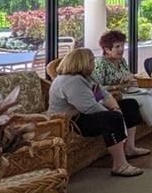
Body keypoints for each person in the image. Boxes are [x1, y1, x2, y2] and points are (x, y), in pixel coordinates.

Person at [48, 48, 146, 176]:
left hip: (84, 114)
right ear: (81, 62)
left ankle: (130, 148)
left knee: (130, 105)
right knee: (112, 119)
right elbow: (89, 108)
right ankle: (119, 165)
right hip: (71, 122)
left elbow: (104, 95)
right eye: (91, 61)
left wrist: (116, 108)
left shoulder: (87, 77)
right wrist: (115, 114)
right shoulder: (70, 81)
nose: (94, 63)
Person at [92, 30, 152, 139]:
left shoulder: (121, 60)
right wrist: (118, 86)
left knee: (150, 92)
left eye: (122, 45)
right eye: (117, 47)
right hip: (112, 96)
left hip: (126, 91)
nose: (121, 49)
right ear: (107, 49)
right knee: (145, 98)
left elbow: (128, 75)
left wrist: (131, 78)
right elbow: (97, 89)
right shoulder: (100, 64)